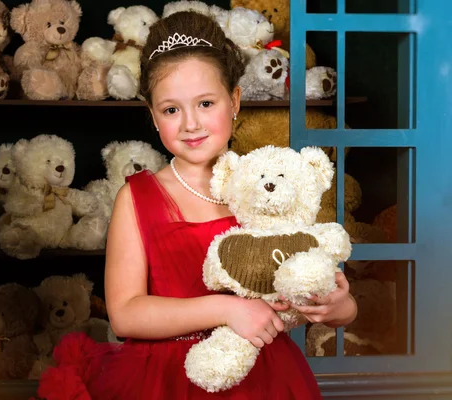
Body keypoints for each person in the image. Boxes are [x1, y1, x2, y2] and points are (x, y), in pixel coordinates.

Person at [35, 11, 357, 400]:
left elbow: (319, 284)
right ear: (153, 116)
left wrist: (339, 307)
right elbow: (124, 313)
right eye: (172, 109)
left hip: (262, 375)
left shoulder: (271, 184)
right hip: (164, 380)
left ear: (234, 101)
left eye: (206, 103)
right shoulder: (137, 197)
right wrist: (227, 311)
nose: (191, 123)